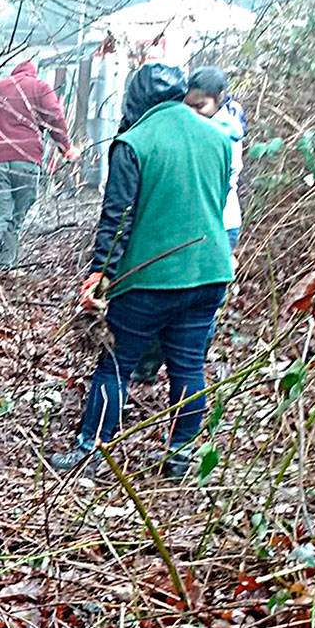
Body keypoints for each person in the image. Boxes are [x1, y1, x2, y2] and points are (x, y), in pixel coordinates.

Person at [50, 64, 233, 479]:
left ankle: (90, 451)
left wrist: (101, 273)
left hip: (150, 278)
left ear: (134, 101)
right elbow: (218, 202)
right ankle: (180, 456)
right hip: (209, 274)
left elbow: (117, 218)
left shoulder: (133, 142)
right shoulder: (218, 138)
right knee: (188, 366)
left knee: (116, 364)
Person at [132, 65, 246, 384]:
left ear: (220, 100)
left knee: (200, 294)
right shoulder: (205, 126)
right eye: (188, 105)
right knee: (169, 288)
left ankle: (188, 359)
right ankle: (152, 363)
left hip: (218, 224)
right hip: (195, 220)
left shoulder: (225, 132)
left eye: (200, 106)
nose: (192, 112)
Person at [0, 58, 80, 270]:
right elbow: (56, 117)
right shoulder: (41, 88)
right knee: (15, 218)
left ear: (15, 72)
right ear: (32, 73)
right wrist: (66, 148)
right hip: (27, 161)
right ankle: (5, 266)